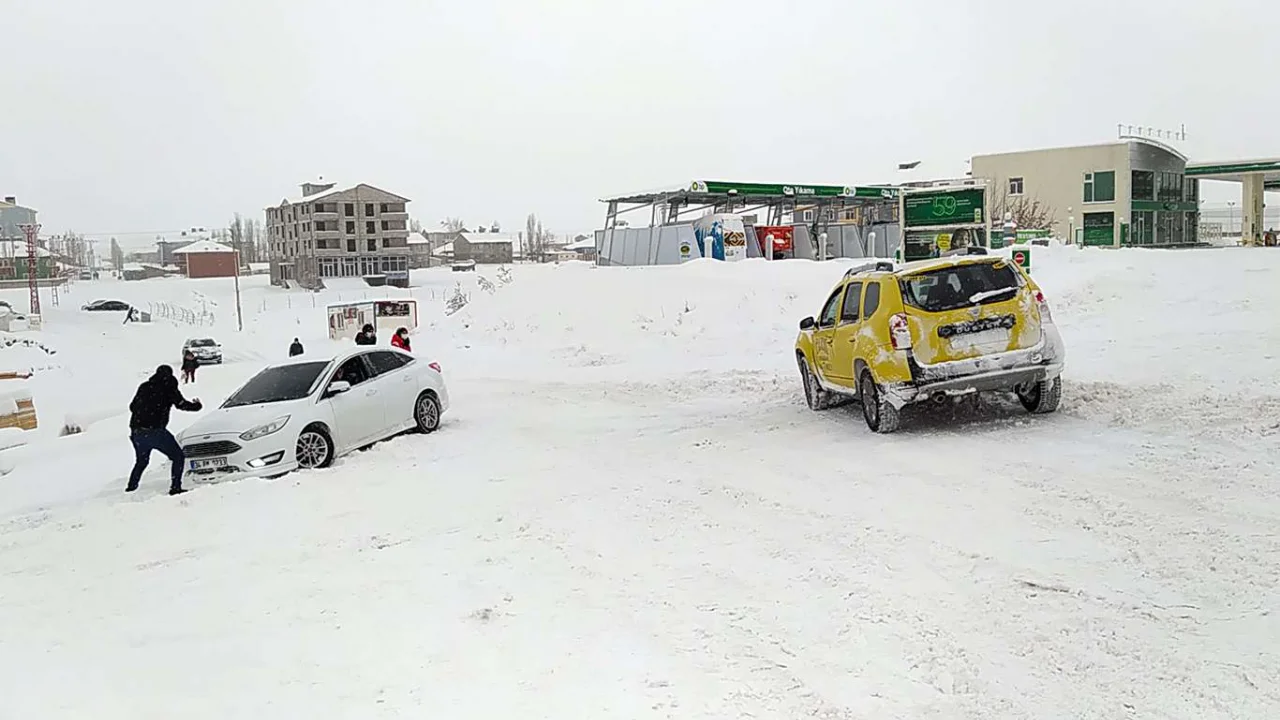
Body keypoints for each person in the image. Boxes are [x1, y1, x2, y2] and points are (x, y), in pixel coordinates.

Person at [126, 365, 203, 496]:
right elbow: (181, 404)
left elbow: (132, 406)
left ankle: (131, 488)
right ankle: (175, 487)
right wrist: (197, 406)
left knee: (142, 461)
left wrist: (143, 414)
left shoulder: (144, 387)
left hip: (137, 432)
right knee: (178, 457)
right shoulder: (169, 387)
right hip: (156, 431)